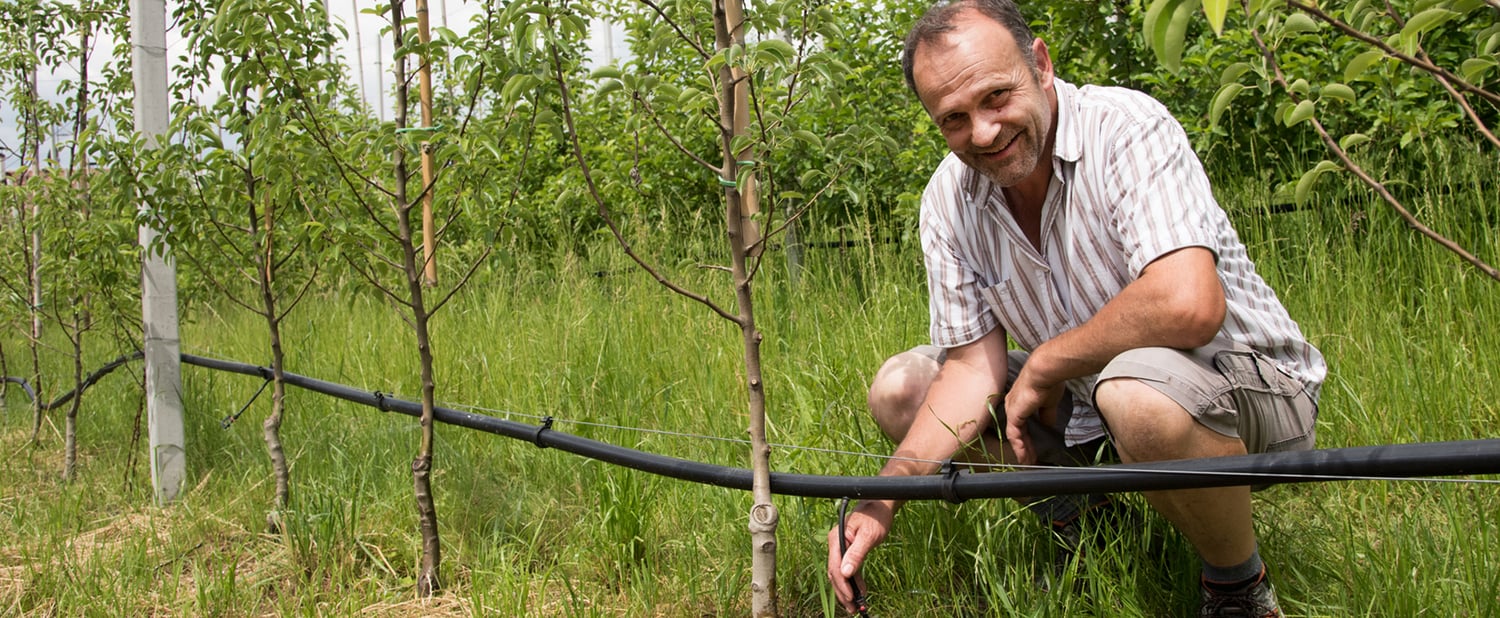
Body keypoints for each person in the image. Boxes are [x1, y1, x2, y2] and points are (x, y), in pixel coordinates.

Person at [824, 1, 1326, 616]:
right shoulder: (948, 200)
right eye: (953, 119)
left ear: (1040, 64)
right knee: (901, 389)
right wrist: (885, 496)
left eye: (995, 98)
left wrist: (1048, 363)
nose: (982, 132)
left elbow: (1189, 303)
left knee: (1132, 394)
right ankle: (1088, 526)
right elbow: (970, 372)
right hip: (1093, 403)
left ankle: (1237, 587)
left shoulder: (1127, 129)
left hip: (1250, 388)